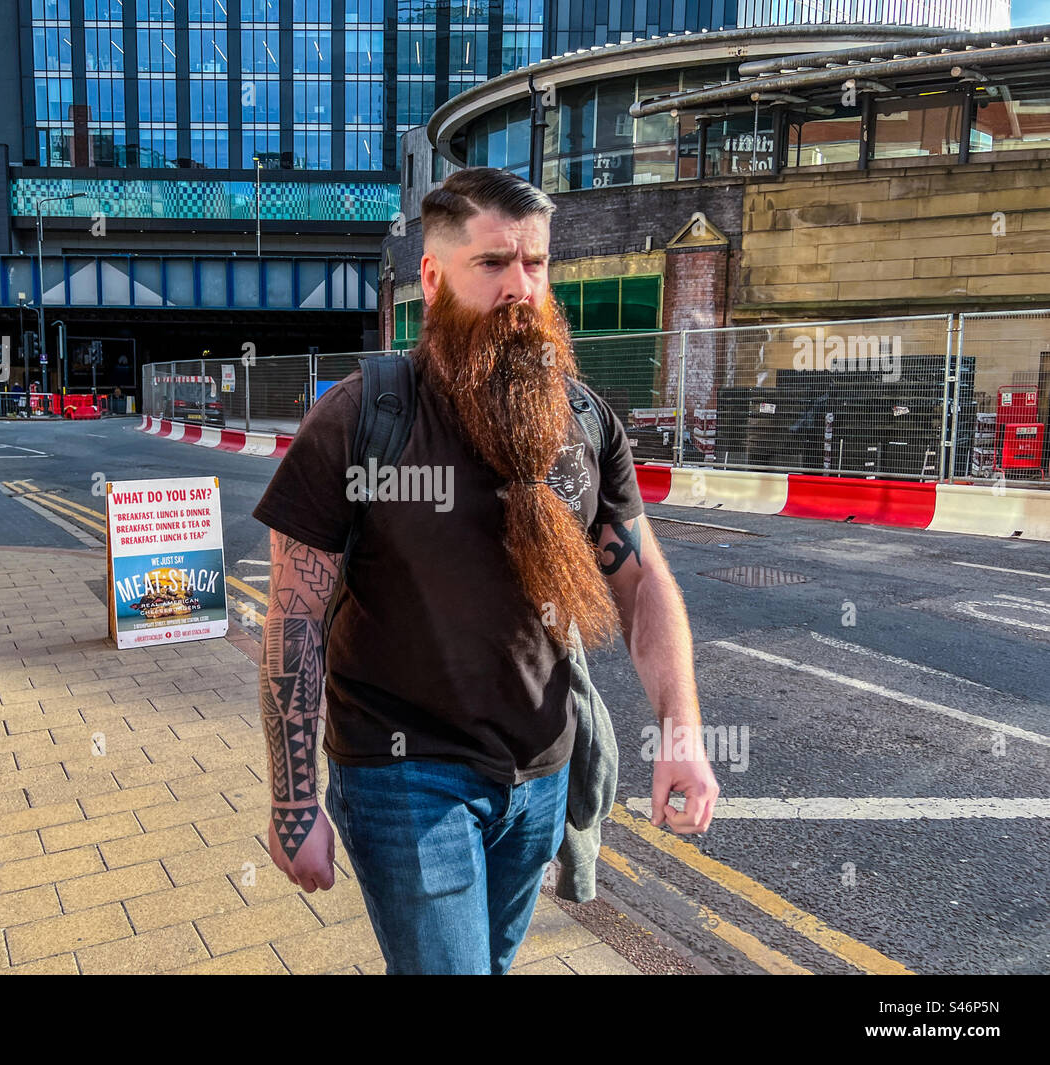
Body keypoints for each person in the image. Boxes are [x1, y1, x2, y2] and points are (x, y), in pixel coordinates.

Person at [252, 167, 719, 975]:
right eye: (495, 263)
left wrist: (680, 728)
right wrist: (294, 800)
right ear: (433, 279)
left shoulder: (581, 418)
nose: (521, 288)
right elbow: (294, 619)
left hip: (538, 778)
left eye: (535, 264)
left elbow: (643, 581)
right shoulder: (363, 419)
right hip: (406, 779)